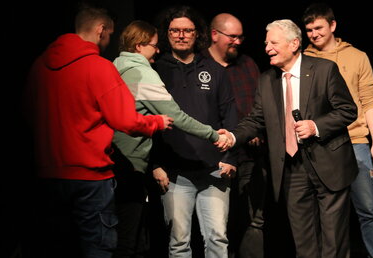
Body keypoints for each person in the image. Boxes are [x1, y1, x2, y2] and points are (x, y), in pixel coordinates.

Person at [25, 5, 173, 258]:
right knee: (98, 248)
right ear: (100, 29)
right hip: (90, 178)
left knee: (55, 247)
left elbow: (26, 114)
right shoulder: (99, 67)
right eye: (109, 34)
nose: (108, 40)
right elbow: (125, 121)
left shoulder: (39, 66)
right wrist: (156, 123)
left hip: (46, 176)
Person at [220, 19, 358, 258]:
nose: (267, 48)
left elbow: (347, 110)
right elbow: (256, 120)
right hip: (291, 169)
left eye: (273, 42)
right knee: (304, 243)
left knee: (334, 243)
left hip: (329, 164)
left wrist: (315, 126)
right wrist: (233, 136)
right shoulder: (266, 80)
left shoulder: (324, 70)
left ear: (294, 44)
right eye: (266, 43)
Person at [110, 20, 229, 258]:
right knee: (130, 241)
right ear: (140, 45)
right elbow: (176, 117)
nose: (157, 50)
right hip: (132, 165)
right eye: (154, 45)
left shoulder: (114, 66)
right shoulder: (141, 72)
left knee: (121, 237)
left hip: (115, 160)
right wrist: (214, 135)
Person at [302, 3, 373, 258]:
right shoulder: (304, 60)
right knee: (327, 214)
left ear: (332, 25)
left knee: (369, 210)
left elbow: (370, 100)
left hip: (356, 142)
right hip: (320, 144)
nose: (314, 34)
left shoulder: (357, 56)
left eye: (318, 27)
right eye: (309, 30)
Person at [153, 5, 238, 258]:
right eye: (174, 30)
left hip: (214, 169)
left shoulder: (214, 70)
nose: (181, 35)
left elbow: (230, 115)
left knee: (217, 238)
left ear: (196, 34)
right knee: (179, 243)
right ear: (166, 34)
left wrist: (230, 158)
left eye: (187, 30)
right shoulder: (156, 70)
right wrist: (155, 164)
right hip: (174, 172)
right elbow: (146, 121)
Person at [202, 13, 267, 258]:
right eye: (233, 37)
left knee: (254, 220)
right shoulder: (200, 66)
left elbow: (259, 108)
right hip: (215, 157)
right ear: (215, 34)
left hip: (250, 156)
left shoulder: (248, 64)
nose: (238, 42)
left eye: (241, 37)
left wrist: (255, 131)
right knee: (219, 224)